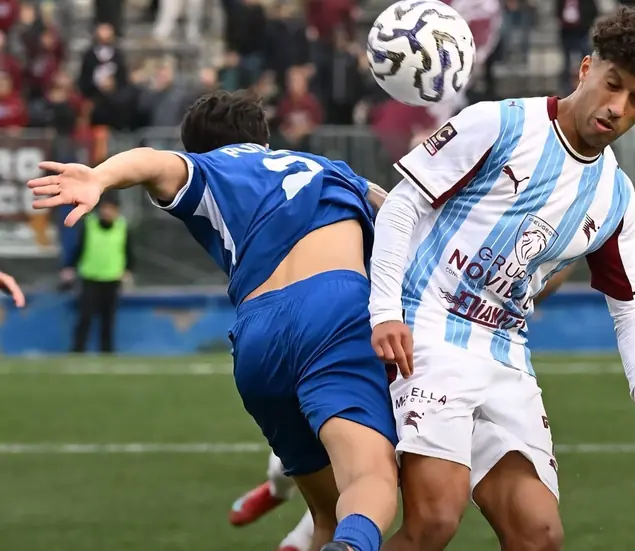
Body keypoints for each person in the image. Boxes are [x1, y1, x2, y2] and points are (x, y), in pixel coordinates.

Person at [369, 8, 635, 551]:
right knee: (434, 520)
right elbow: (402, 205)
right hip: (429, 328)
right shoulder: (500, 123)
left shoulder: (615, 197)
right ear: (586, 69)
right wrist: (386, 312)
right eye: (613, 85)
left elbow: (630, 308)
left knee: (539, 536)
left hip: (506, 354)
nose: (618, 107)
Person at [27, 89, 397, 551]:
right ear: (264, 139)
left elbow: (152, 161)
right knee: (368, 478)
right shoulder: (331, 169)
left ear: (198, 148)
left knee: (327, 513)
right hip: (334, 309)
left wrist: (99, 177)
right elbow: (402, 213)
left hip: (257, 336)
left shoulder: (210, 168)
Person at [227, 265, 577, 551]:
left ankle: (302, 536)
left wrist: (506, 292)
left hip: (453, 347)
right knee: (328, 454)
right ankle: (277, 490)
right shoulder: (411, 213)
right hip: (375, 323)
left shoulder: (561, 215)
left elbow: (543, 276)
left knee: (377, 473)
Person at [61, 193, 134, 353]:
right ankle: (78, 349)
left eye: (111, 209)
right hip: (90, 277)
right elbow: (79, 248)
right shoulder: (89, 224)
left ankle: (107, 350)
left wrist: (128, 271)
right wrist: (69, 267)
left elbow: (128, 251)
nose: (107, 212)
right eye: (105, 208)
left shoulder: (122, 227)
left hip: (112, 277)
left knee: (108, 318)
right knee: (85, 316)